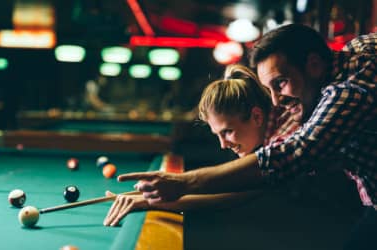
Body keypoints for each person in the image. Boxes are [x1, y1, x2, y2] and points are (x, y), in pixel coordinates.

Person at [117, 24, 376, 249]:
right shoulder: (358, 48)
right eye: (269, 88)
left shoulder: (345, 95)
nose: (277, 99)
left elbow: (272, 169)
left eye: (281, 82)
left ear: (315, 65)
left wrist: (177, 185)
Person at [103, 64, 300, 226]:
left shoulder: (283, 138)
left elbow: (240, 197)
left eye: (227, 132)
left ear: (256, 116)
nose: (224, 144)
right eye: (218, 135)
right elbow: (234, 186)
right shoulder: (267, 128)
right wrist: (147, 195)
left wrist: (152, 203)